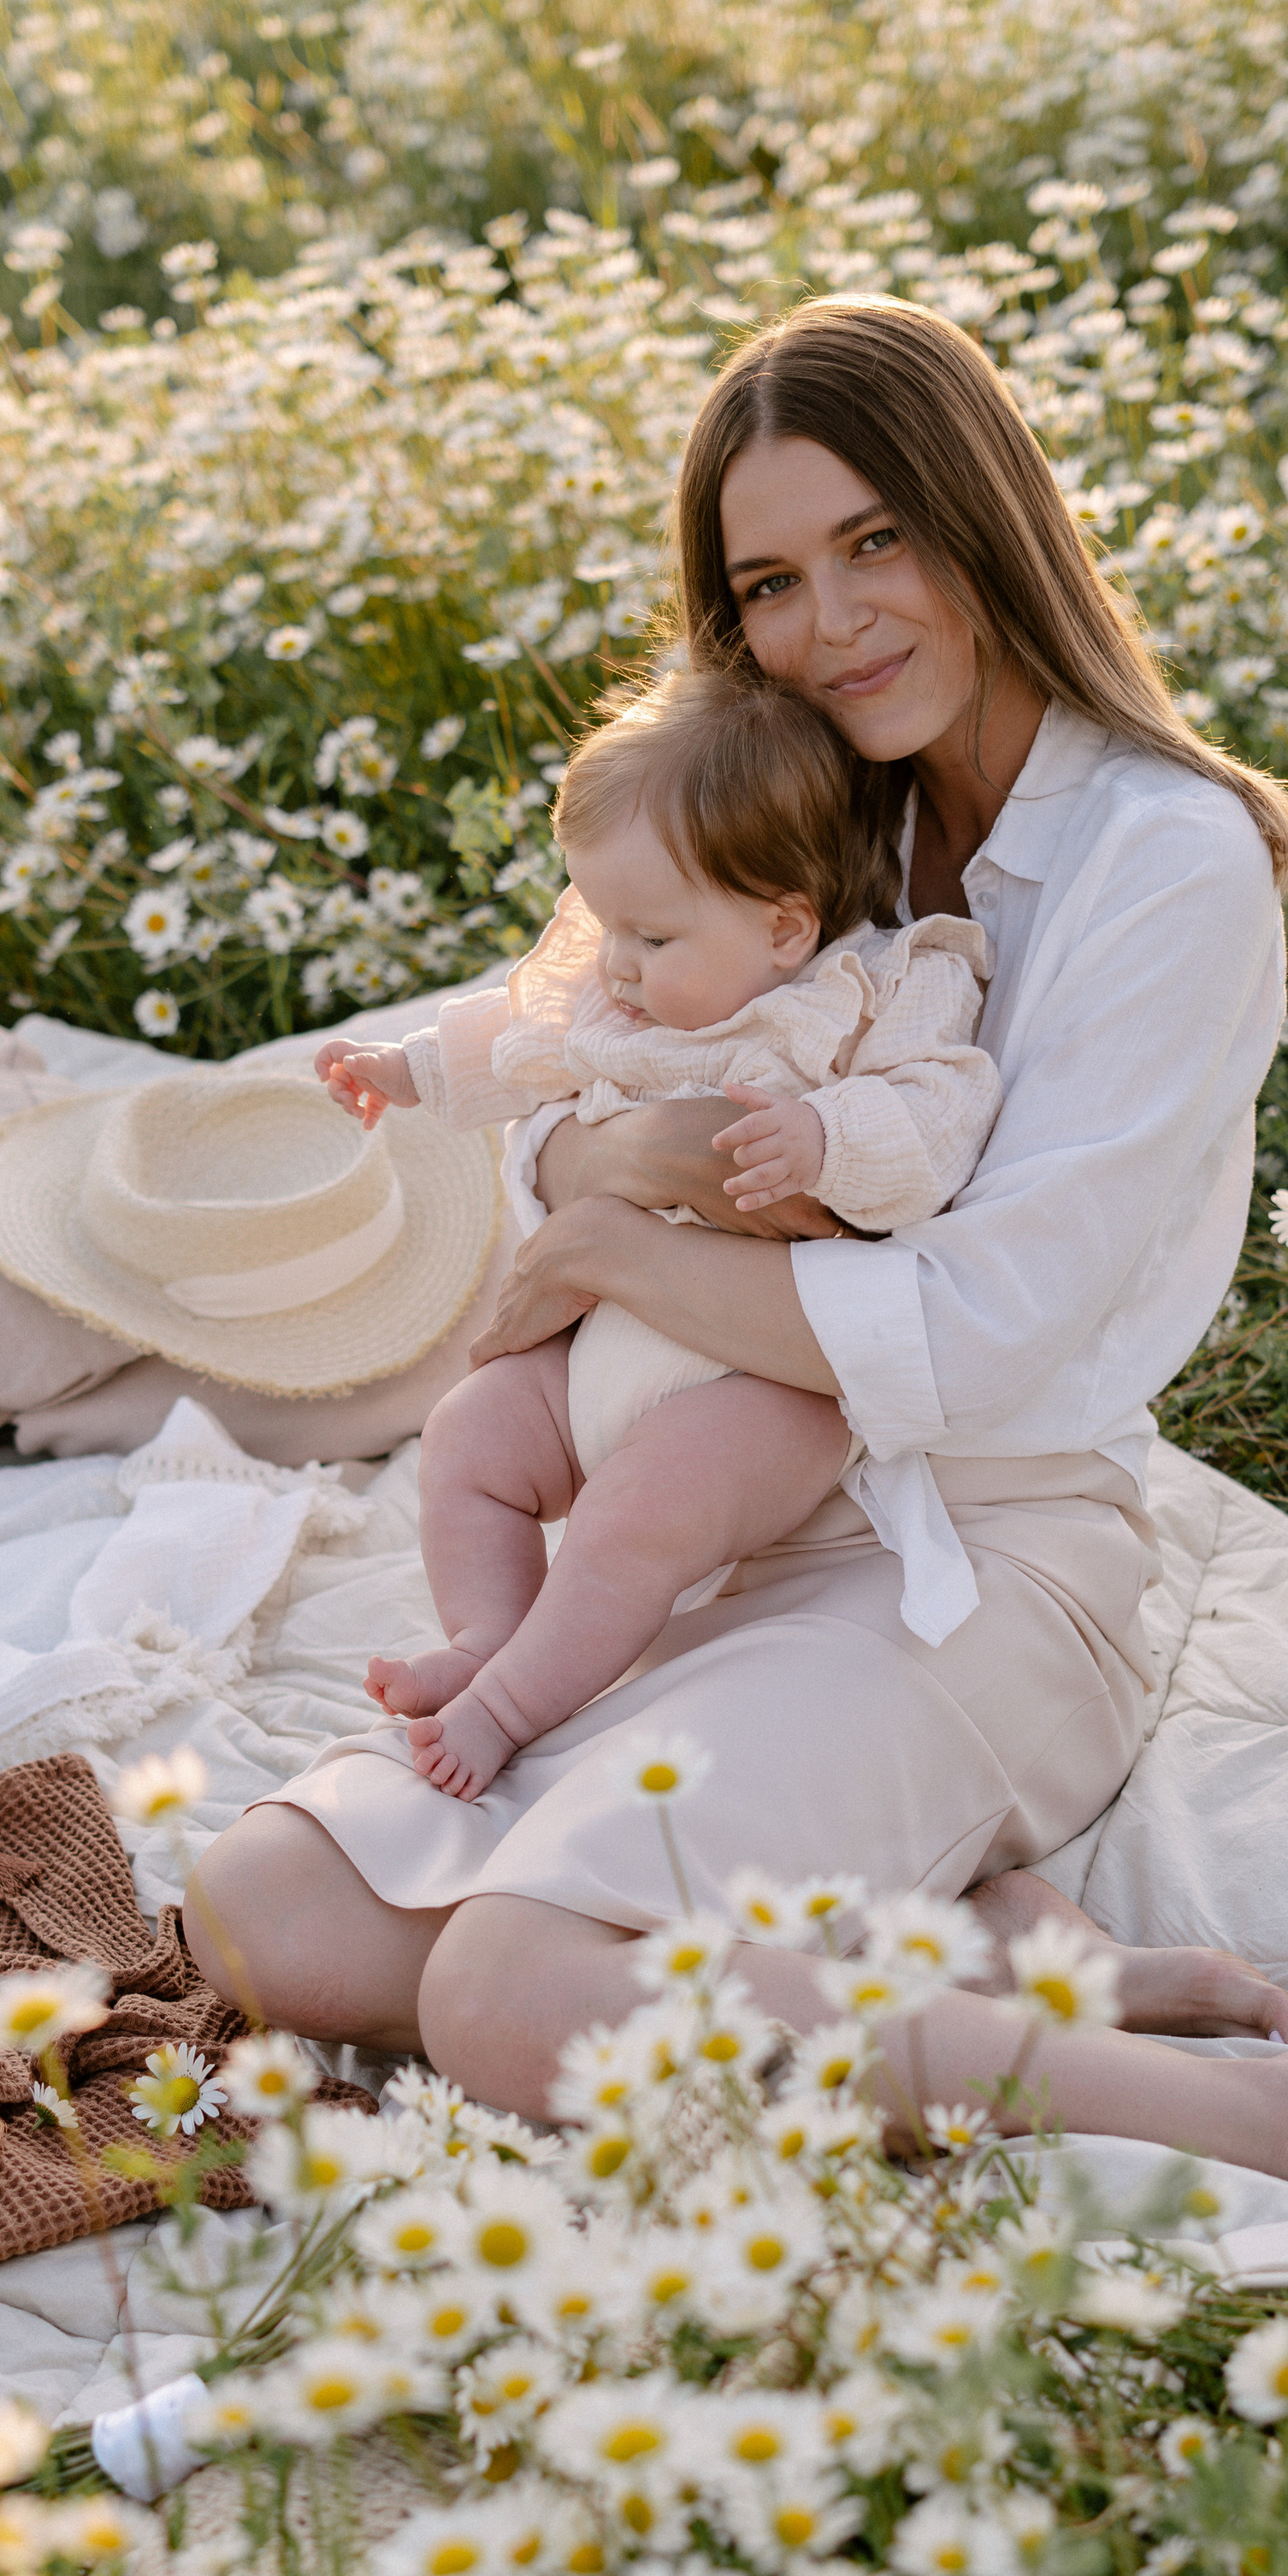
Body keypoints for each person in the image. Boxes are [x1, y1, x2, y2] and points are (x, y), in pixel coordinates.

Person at [186, 294, 1288, 2268]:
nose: (833, 621)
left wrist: (606, 1236)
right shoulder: (788, 784)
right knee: (264, 1913)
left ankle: (1270, 2110)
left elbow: (972, 1335)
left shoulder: (1167, 863)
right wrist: (608, 1184)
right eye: (771, 581)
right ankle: (971, 1946)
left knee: (505, 1996)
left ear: (981, 517)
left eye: (876, 541)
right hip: (700, 1524)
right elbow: (571, 1067)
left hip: (964, 1555)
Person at [313, 666, 1001, 1800]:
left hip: (761, 1378)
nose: (615, 963)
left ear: (784, 927)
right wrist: (408, 1069)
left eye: (647, 935)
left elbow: (941, 1113)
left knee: (635, 1519)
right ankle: (489, 1629)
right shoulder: (615, 995)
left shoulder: (866, 1001)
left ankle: (509, 1704)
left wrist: (826, 1140)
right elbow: (515, 1035)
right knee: (471, 1435)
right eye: (601, 923)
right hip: (604, 1345)